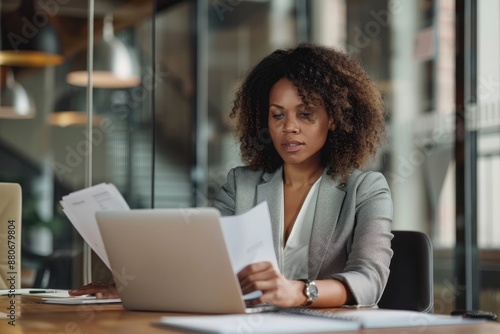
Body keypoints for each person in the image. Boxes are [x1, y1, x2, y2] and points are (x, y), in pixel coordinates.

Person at [69, 43, 393, 308]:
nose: (289, 127)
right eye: (277, 115)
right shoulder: (242, 184)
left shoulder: (365, 188)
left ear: (334, 119)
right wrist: (135, 287)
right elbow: (203, 263)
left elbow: (369, 280)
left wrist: (299, 291)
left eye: (305, 114)